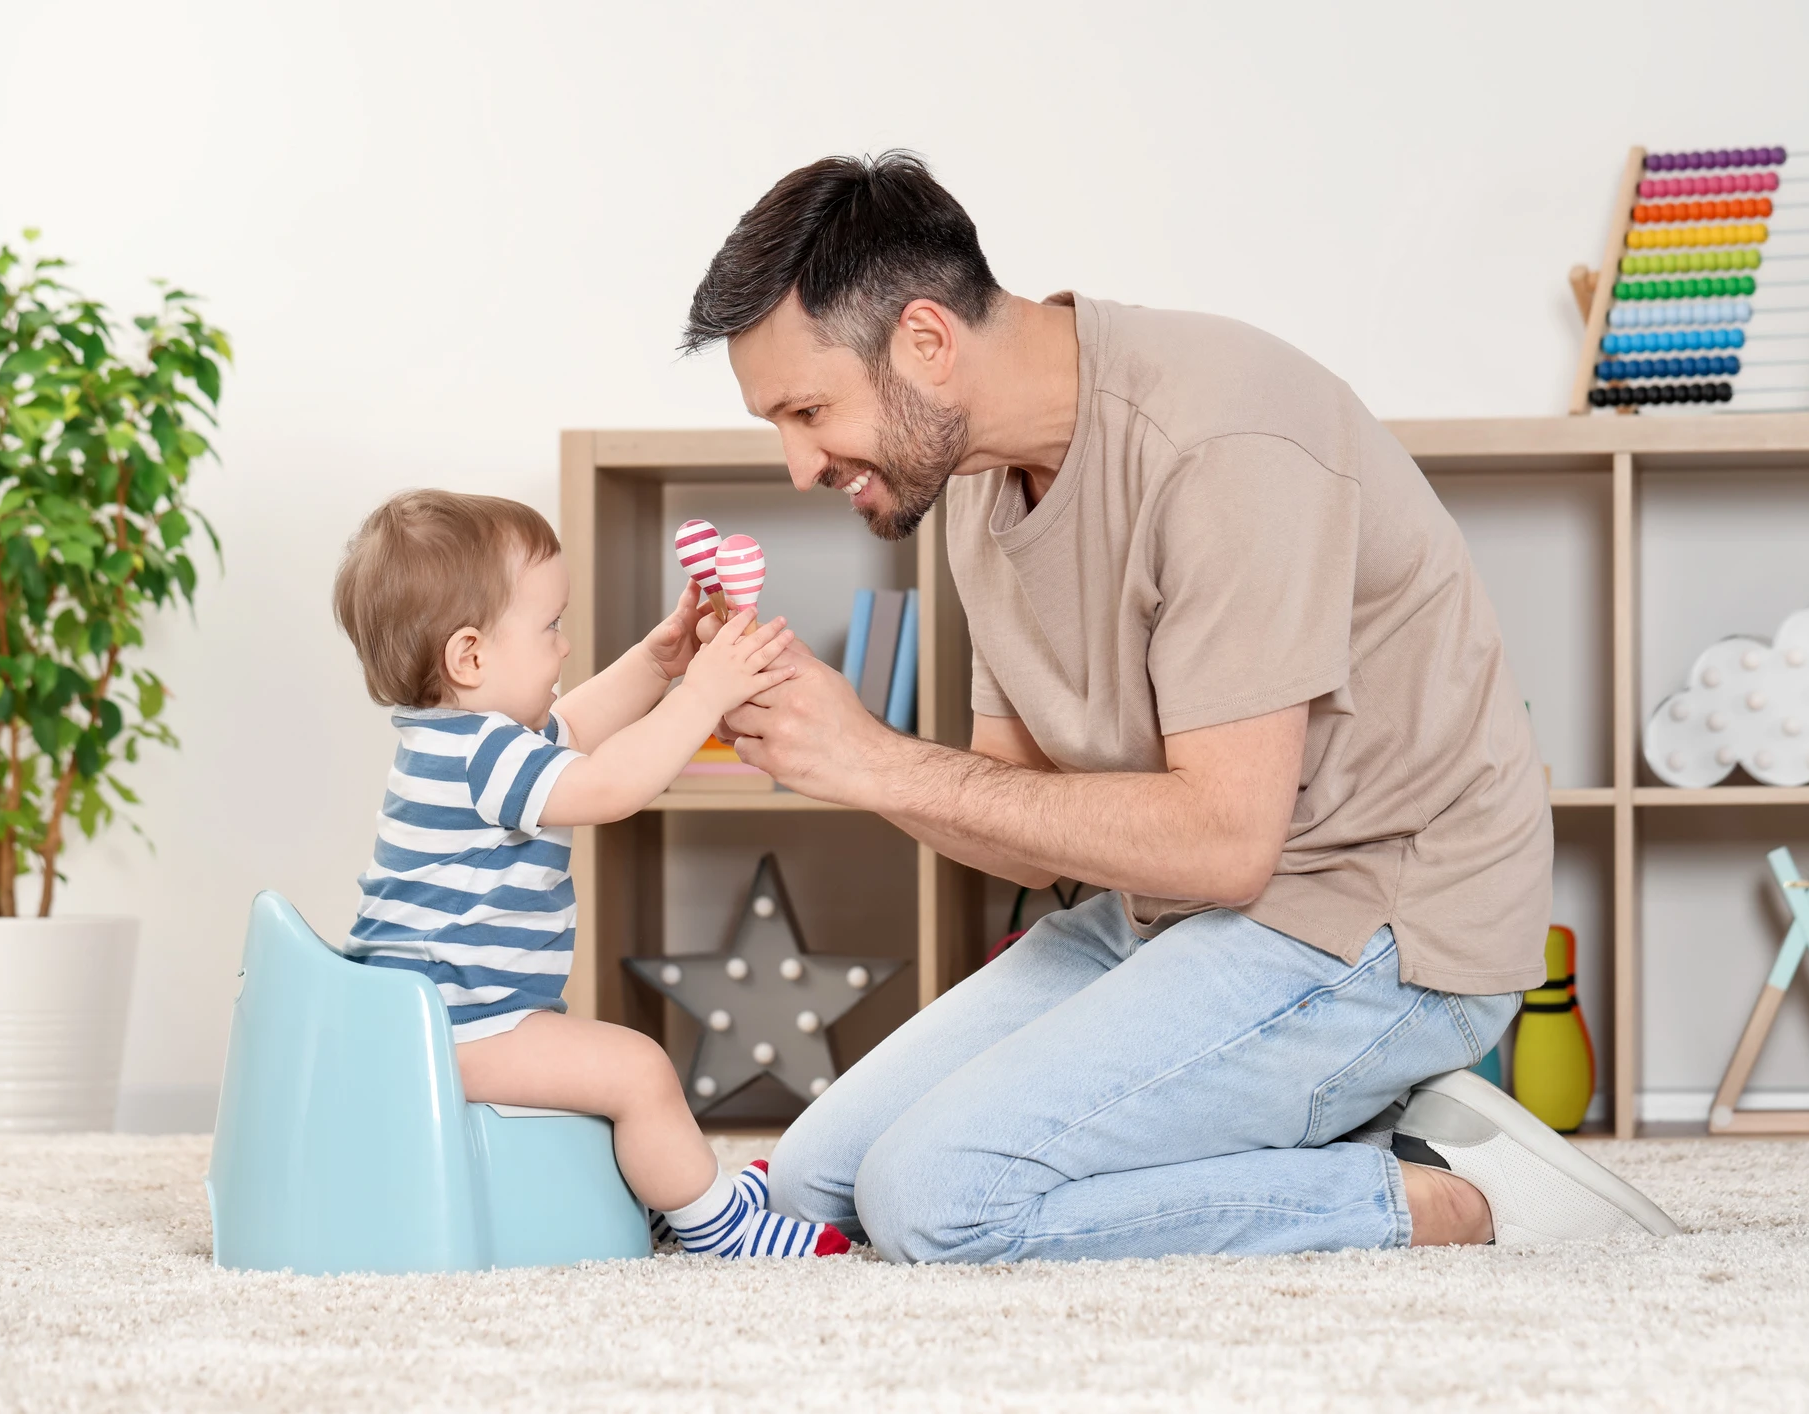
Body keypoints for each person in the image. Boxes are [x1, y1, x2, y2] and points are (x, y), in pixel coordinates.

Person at [680, 153, 1680, 1260]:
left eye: (808, 411)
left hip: (1374, 930)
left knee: (938, 1202)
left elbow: (1222, 843)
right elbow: (1019, 833)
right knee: (818, 1183)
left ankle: (1441, 1196)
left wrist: (875, 761)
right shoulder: (972, 479)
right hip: (1169, 916)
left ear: (925, 341)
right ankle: (1268, 1118)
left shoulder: (1220, 440)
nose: (796, 464)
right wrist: (833, 755)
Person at [331, 489, 845, 1258]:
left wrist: (659, 663)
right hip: (455, 1027)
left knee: (615, 1070)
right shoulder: (485, 754)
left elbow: (576, 726)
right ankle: (720, 1232)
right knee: (636, 1070)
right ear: (469, 656)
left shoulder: (467, 738)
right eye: (550, 628)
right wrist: (705, 695)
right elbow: (608, 787)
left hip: (450, 1016)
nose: (565, 648)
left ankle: (679, 1193)